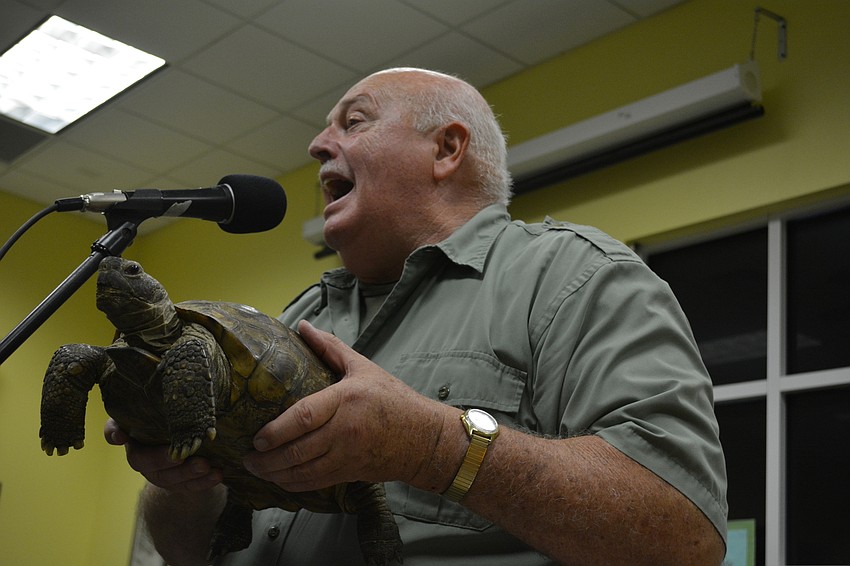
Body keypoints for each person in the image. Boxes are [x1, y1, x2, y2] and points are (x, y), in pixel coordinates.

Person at [106, 67, 728, 565]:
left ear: (447, 149)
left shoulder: (574, 278)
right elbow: (185, 549)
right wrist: (181, 476)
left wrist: (434, 446)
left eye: (354, 122)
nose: (318, 144)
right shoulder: (296, 316)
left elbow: (682, 538)